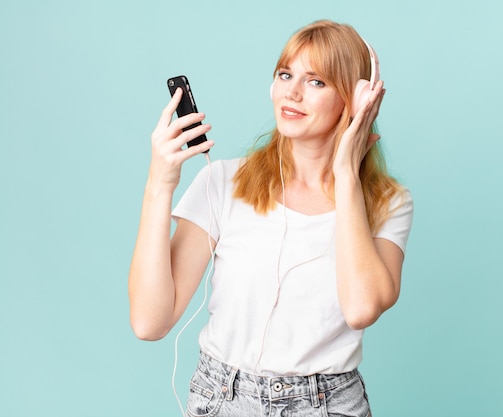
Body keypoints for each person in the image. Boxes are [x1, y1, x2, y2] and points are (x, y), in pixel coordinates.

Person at [129, 19, 413, 417]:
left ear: (355, 99)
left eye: (317, 82)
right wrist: (159, 183)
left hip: (327, 405)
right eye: (285, 74)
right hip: (221, 400)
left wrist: (346, 173)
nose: (292, 93)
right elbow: (149, 322)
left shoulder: (388, 202)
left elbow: (362, 308)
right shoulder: (224, 181)